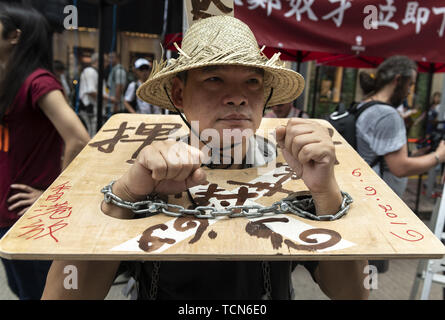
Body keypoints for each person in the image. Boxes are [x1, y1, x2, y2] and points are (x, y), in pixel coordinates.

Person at [42, 16, 369, 300]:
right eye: (214, 79)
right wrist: (126, 195)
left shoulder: (296, 171)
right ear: (180, 95)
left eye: (252, 82)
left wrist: (326, 194)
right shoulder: (142, 171)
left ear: (265, 95)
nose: (238, 98)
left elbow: (352, 293)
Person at [0, 3, 90, 300]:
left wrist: (51, 196)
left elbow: (78, 138)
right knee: (21, 288)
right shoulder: (11, 81)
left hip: (26, 216)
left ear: (14, 36)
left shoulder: (37, 81)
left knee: (39, 293)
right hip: (7, 211)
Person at [357, 56, 445, 198]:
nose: (410, 91)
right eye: (410, 84)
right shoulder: (388, 115)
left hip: (363, 190)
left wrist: (417, 155)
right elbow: (400, 167)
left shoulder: (364, 104)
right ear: (397, 80)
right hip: (379, 199)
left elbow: (379, 152)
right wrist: (439, 156)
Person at [78, 53, 116, 137]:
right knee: (91, 136)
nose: (107, 64)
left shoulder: (95, 72)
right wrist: (110, 98)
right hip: (91, 110)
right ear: (98, 61)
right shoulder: (90, 71)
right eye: (105, 61)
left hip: (96, 111)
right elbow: (91, 91)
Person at [106, 51, 126, 117]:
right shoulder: (114, 69)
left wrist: (116, 103)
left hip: (116, 106)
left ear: (117, 58)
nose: (109, 60)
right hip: (112, 104)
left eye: (111, 57)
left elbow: (119, 87)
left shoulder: (119, 70)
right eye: (109, 57)